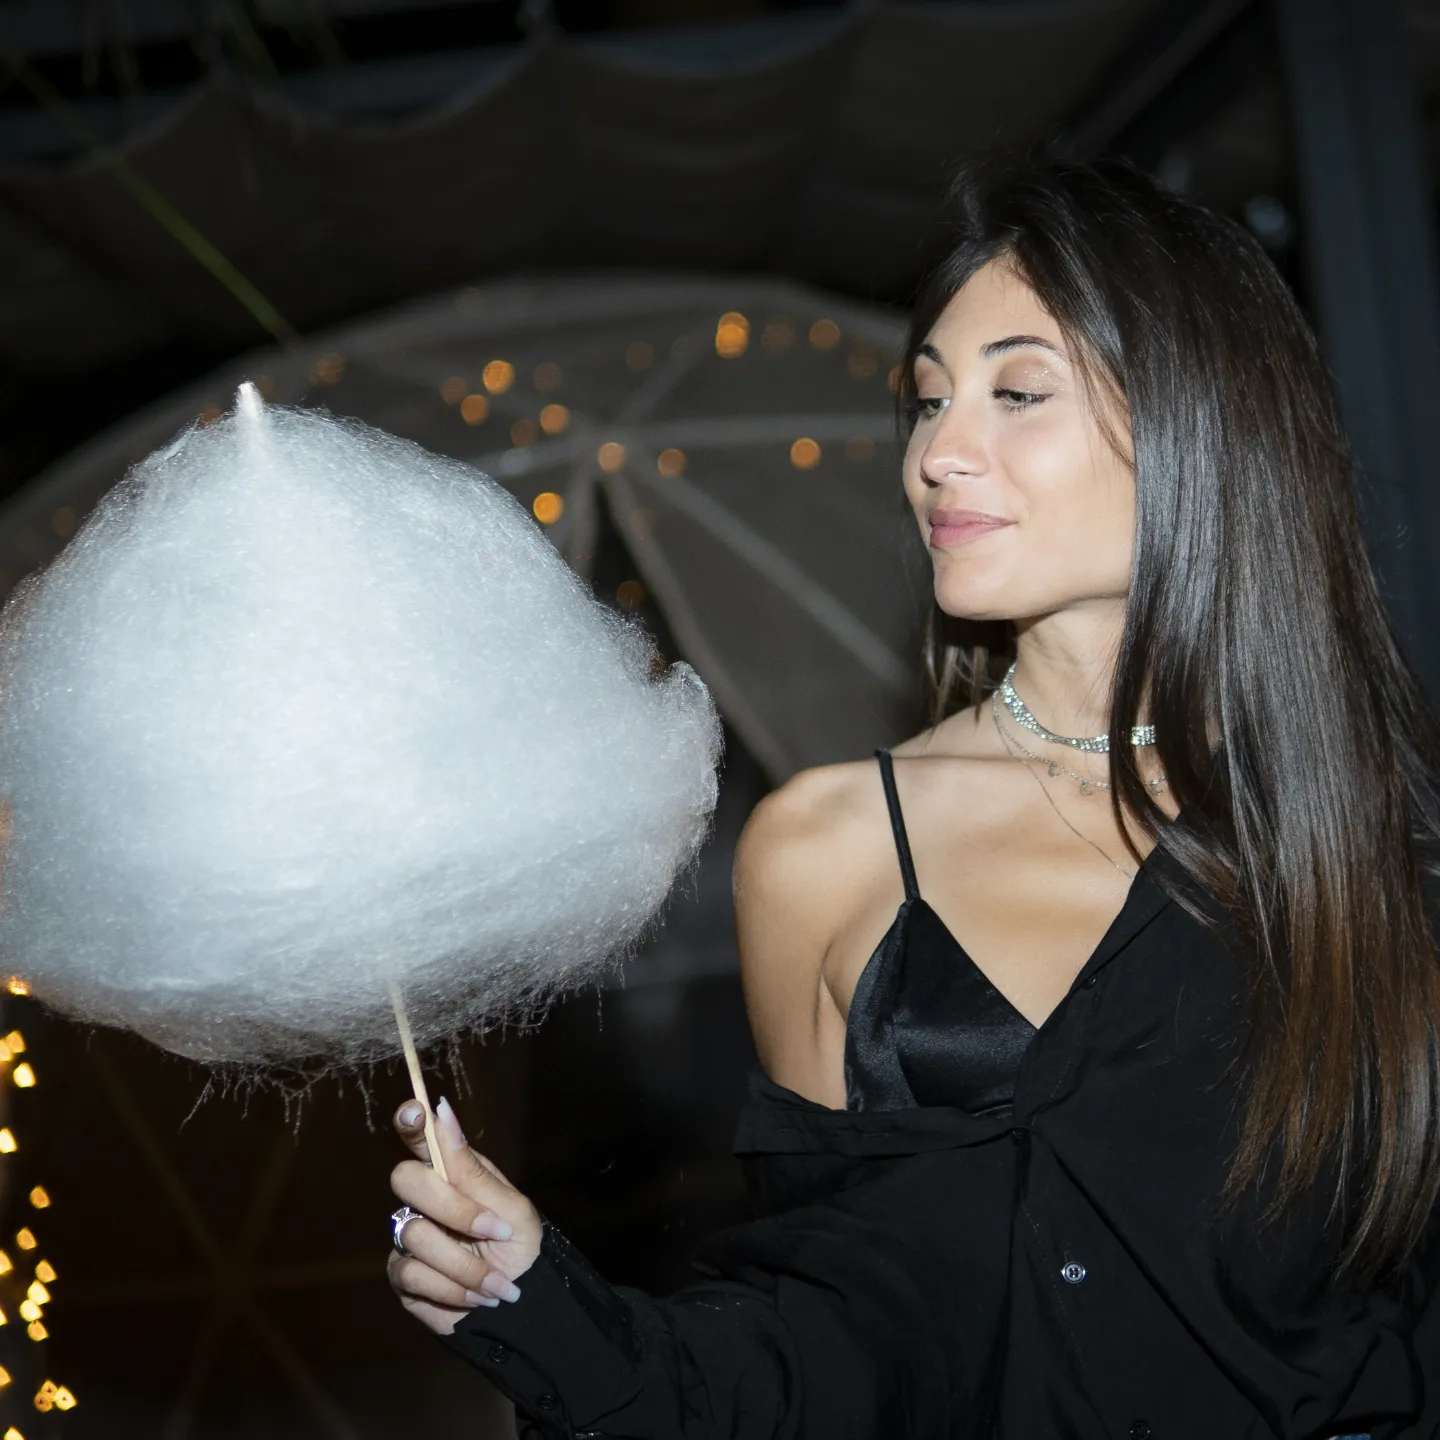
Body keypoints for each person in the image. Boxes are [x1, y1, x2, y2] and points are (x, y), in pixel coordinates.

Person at [383, 158, 1440, 1440]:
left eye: (1018, 392)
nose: (939, 453)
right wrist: (546, 1307)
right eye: (929, 398)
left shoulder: (1374, 843)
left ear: (1199, 422)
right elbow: (844, 1344)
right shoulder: (825, 849)